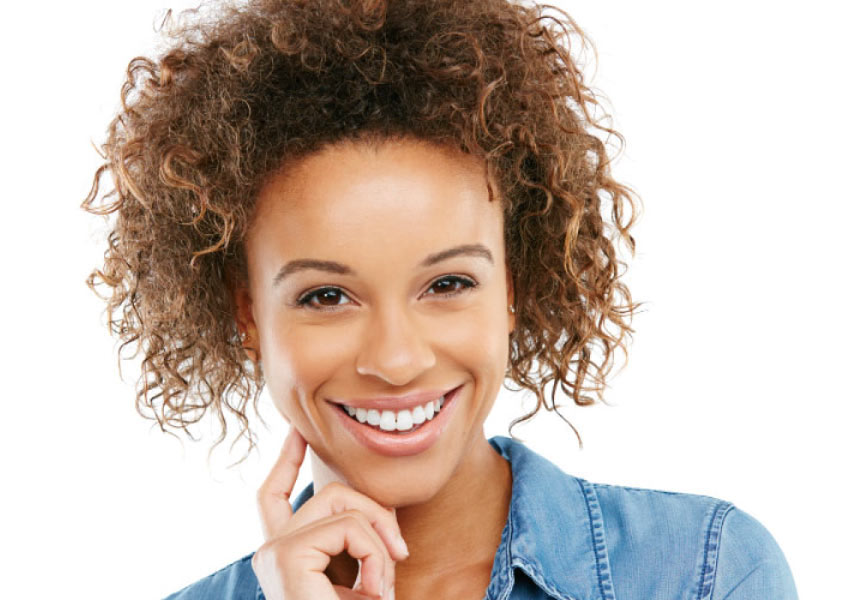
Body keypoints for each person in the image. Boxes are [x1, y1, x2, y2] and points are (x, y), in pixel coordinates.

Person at [82, 0, 798, 598]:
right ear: (247, 316)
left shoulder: (704, 572)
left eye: (448, 284)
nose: (396, 360)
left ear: (514, 286)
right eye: (327, 295)